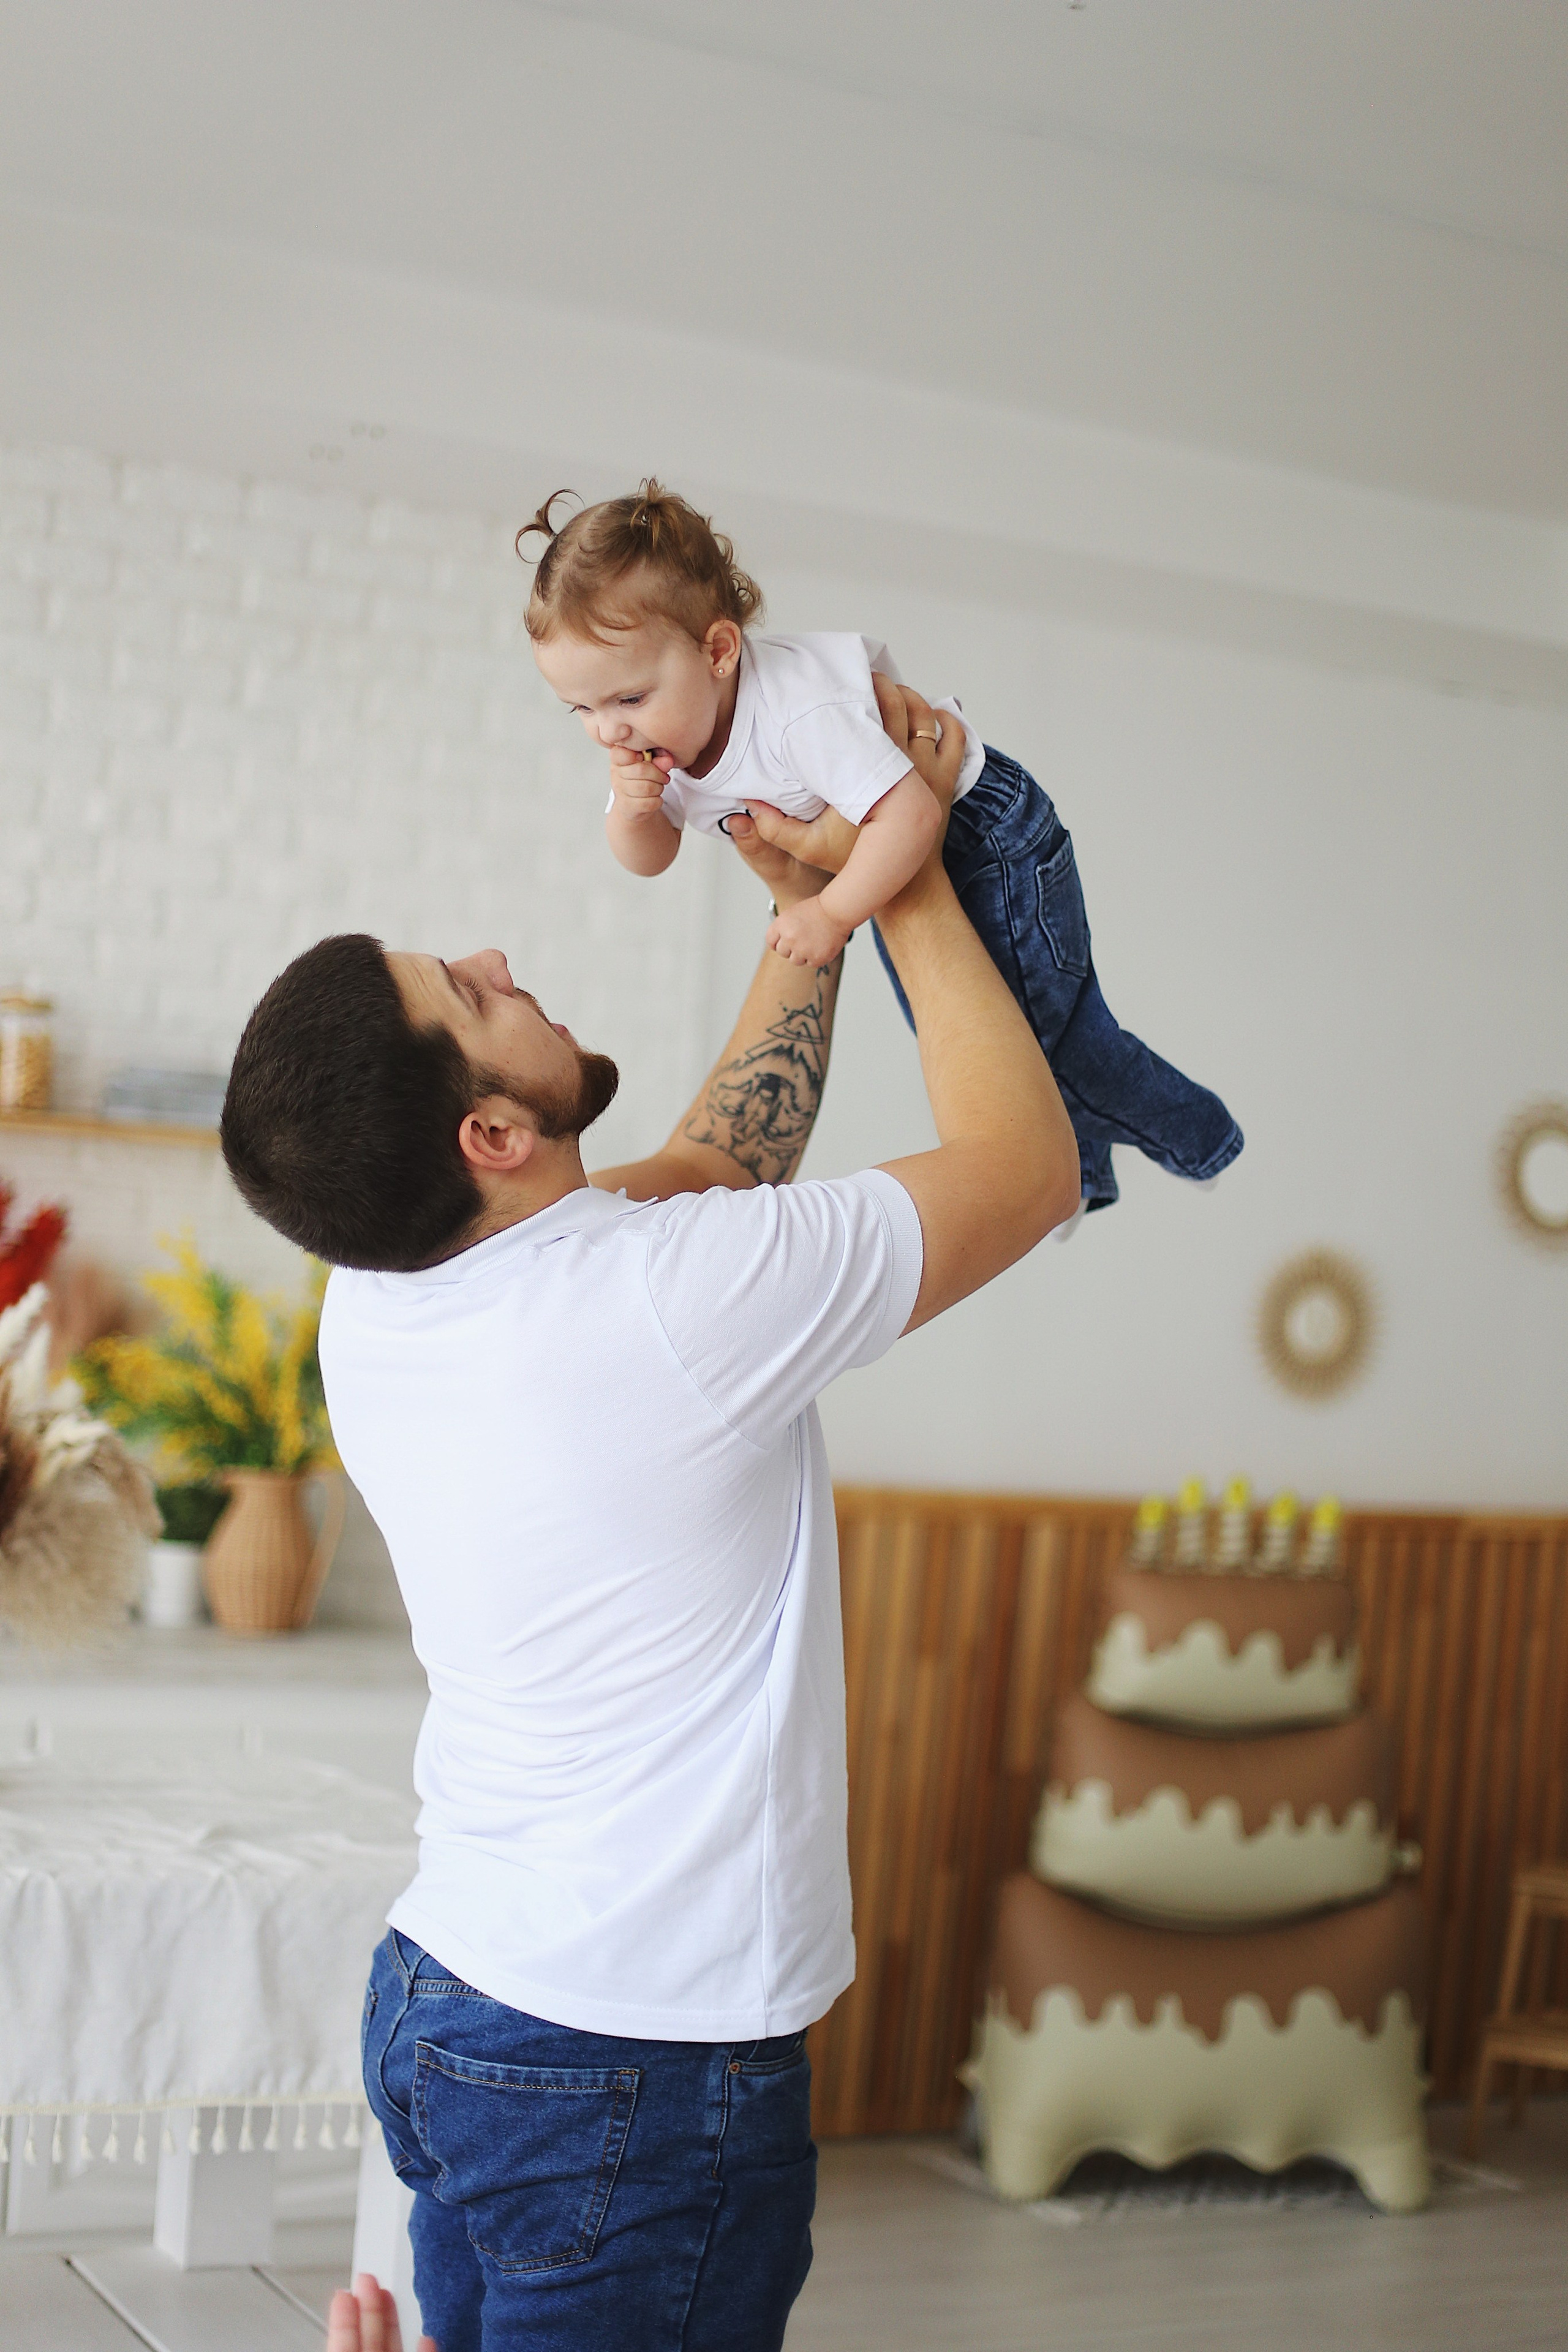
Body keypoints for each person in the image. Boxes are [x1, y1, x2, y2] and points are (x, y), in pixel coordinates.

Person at [221, 685, 1080, 2351]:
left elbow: (711, 1169)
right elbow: (1026, 1167)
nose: (495, 953)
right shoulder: (656, 1312)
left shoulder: (388, 1290)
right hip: (627, 2064)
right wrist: (895, 869)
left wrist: (799, 928)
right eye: (466, 990)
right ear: (493, 1133)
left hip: (462, 2012)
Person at [523, 479, 1242, 1215]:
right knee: (978, 1040)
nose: (607, 729)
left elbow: (912, 817)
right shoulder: (653, 745)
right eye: (581, 708)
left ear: (717, 650)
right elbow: (648, 858)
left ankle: (1199, 1138)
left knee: (1055, 1037)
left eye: (628, 699)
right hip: (878, 862)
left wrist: (831, 913)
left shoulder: (799, 711)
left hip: (978, 835)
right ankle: (1084, 1179)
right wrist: (638, 817)